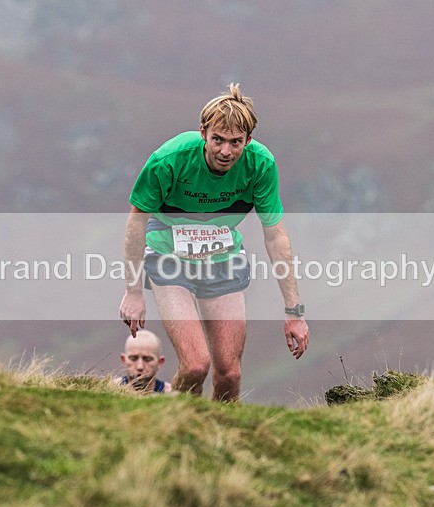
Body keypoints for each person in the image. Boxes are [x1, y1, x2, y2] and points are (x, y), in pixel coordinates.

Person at [118, 83, 309, 402]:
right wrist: (134, 291)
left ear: (248, 140)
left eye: (236, 143)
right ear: (203, 132)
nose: (225, 151)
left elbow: (275, 235)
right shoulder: (170, 159)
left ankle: (223, 443)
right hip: (169, 255)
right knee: (195, 366)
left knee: (229, 374)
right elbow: (136, 222)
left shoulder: (260, 164)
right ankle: (169, 430)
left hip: (222, 258)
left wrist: (294, 311)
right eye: (218, 140)